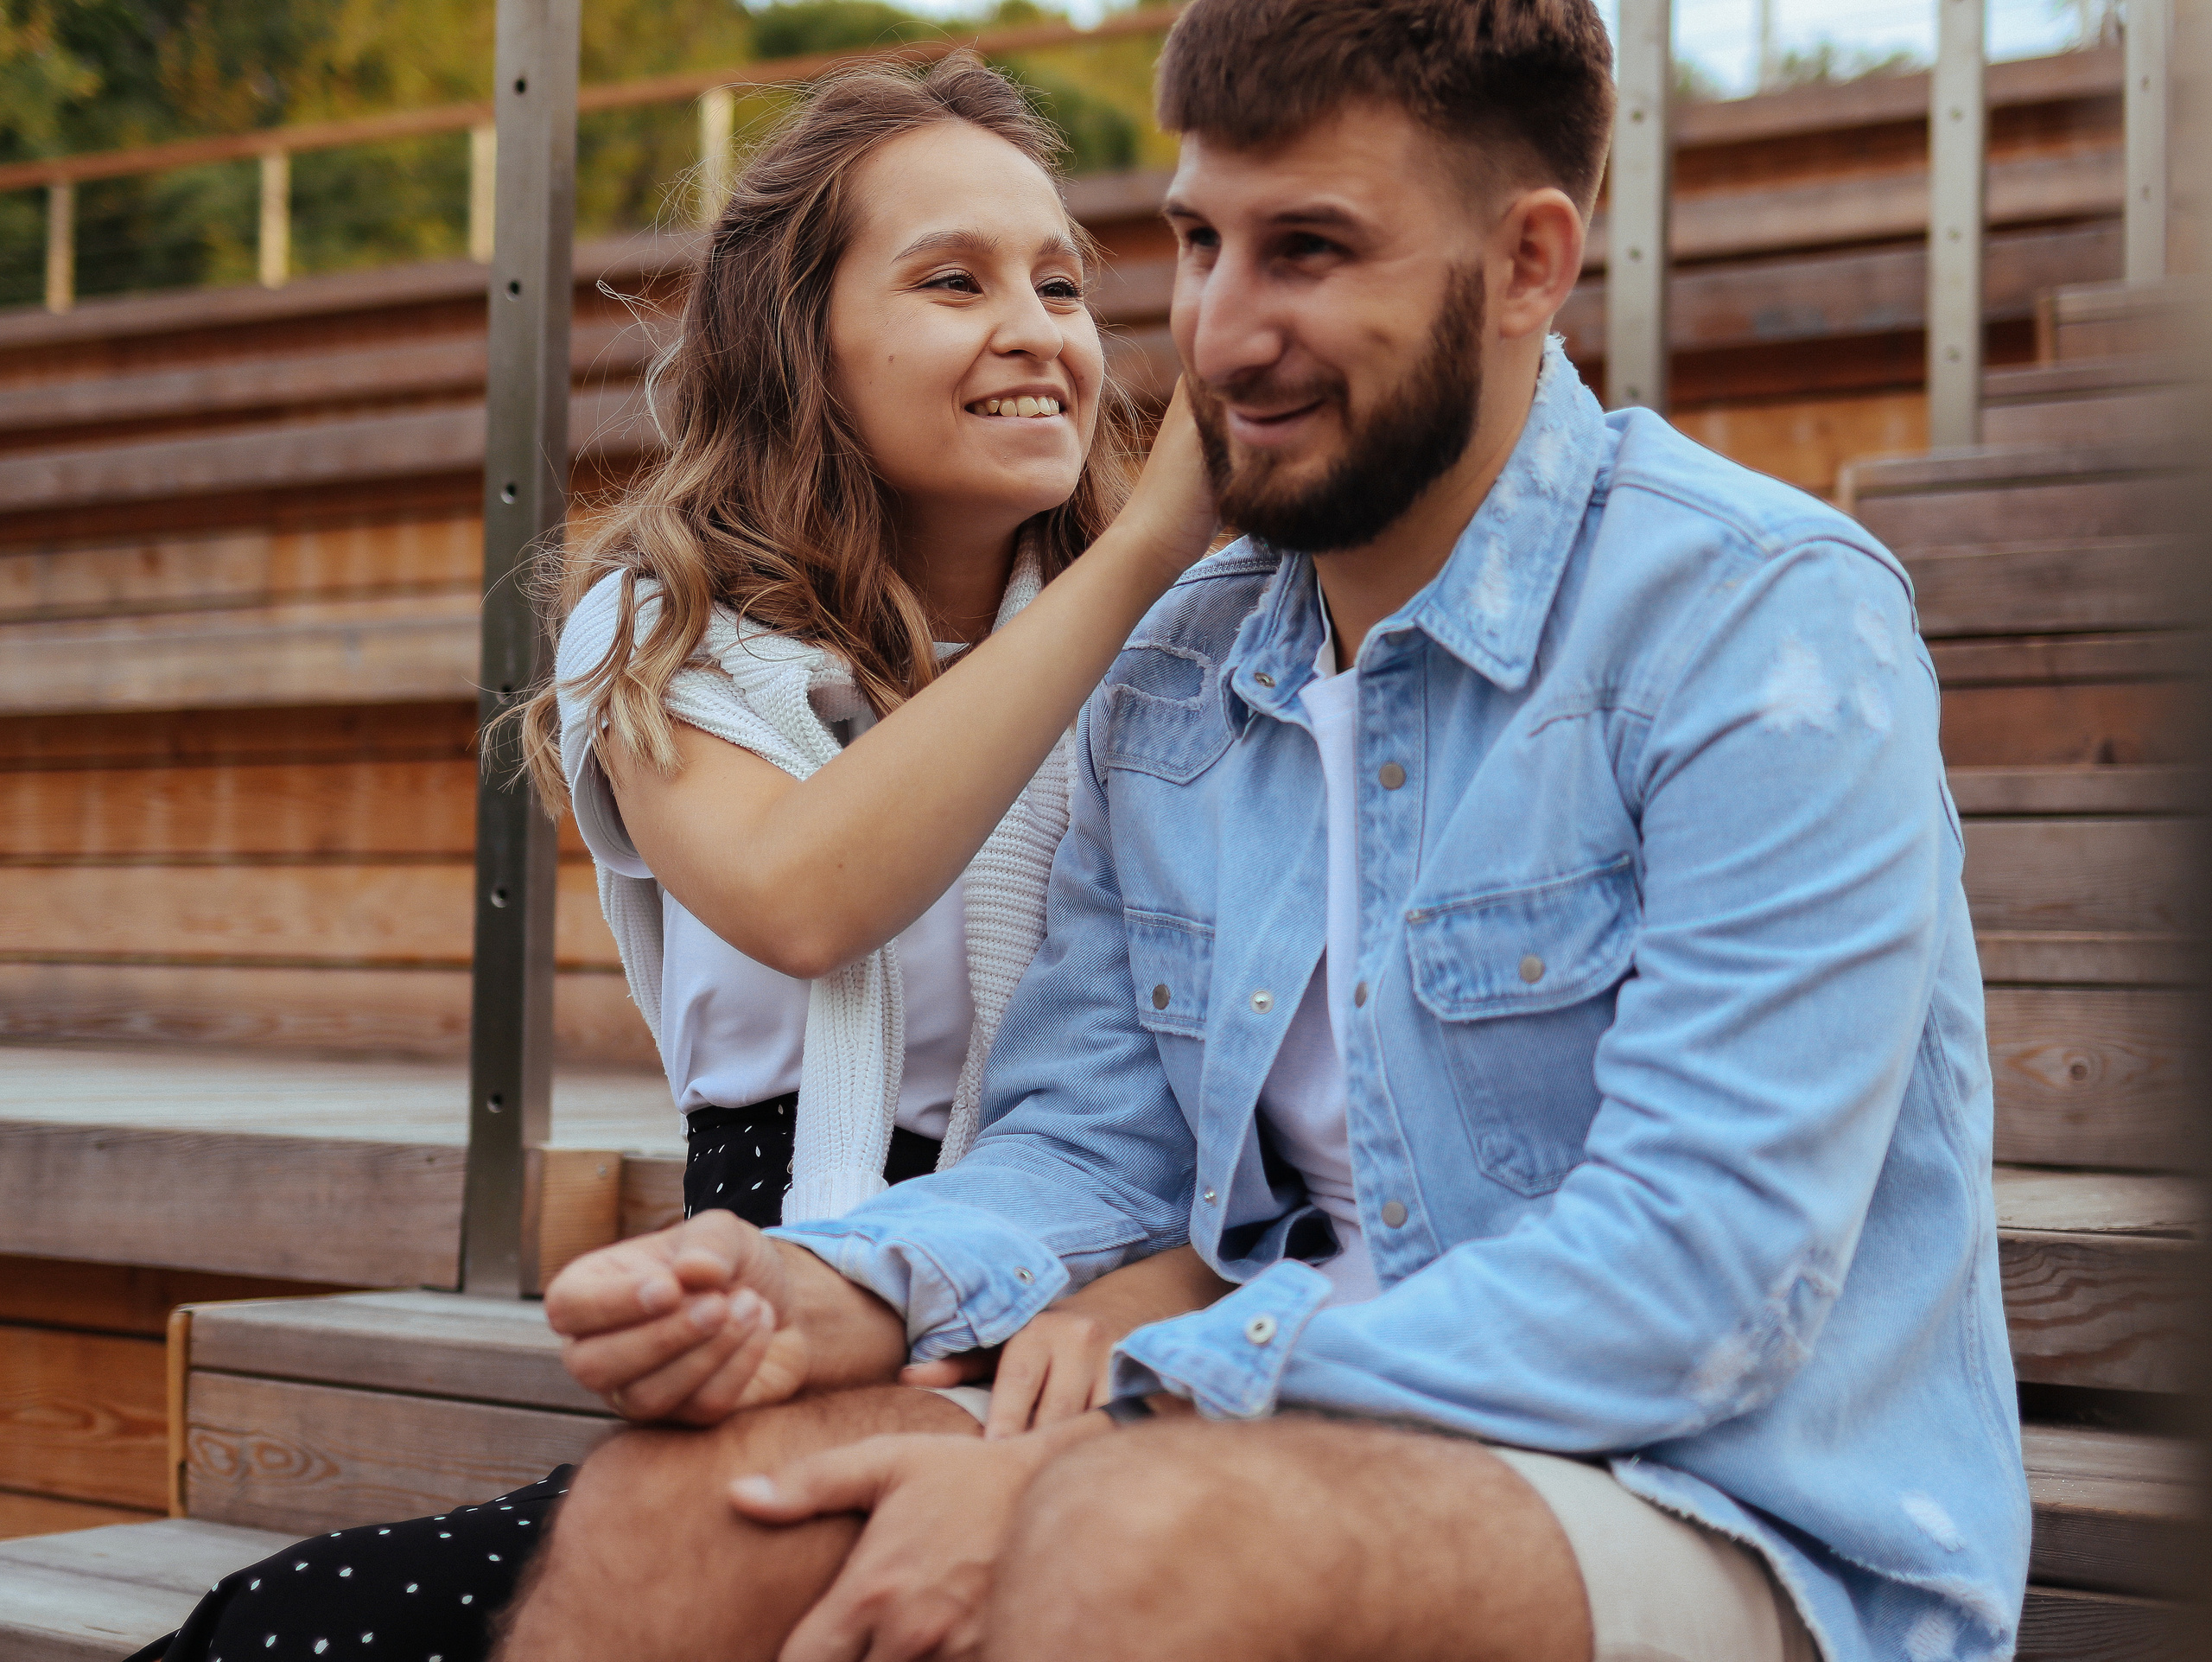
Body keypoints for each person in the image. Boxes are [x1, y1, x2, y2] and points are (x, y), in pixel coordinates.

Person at [495, 1, 2032, 1660]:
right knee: (679, 1513)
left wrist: (1146, 1407)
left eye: (1310, 251)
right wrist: (837, 1289)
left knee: (1142, 1532)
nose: (1222, 333)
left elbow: (1692, 1279)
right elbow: (1085, 1151)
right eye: (1200, 245)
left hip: (1715, 1503)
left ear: (1527, 264)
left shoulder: (1758, 621)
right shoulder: (1185, 657)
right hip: (1243, 1428)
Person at [133, 54, 1233, 1662]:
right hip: (794, 1257)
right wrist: (1143, 552)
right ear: (805, 346)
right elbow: (807, 892)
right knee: (290, 1627)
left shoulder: (1183, 650)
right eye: (952, 280)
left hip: (1088, 1272)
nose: (1040, 329)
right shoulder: (669, 631)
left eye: (1062, 282)